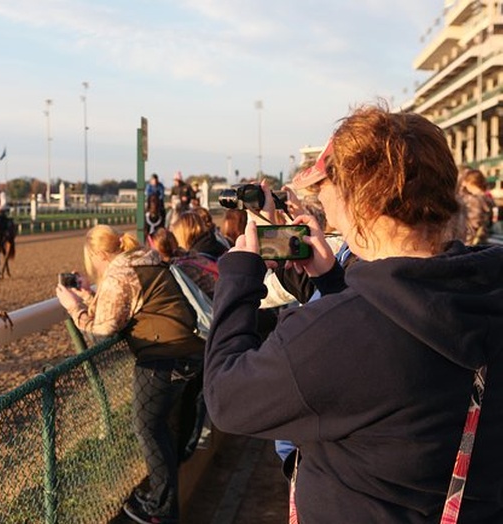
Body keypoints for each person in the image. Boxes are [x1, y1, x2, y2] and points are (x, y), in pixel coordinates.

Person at [204, 104, 503, 522]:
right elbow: (399, 330)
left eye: (328, 193)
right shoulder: (485, 287)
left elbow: (225, 397)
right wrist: (333, 282)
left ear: (362, 204)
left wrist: (238, 275)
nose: (325, 208)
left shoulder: (332, 336)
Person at [55, 225, 204, 524]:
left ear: (98, 255)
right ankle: (162, 502)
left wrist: (75, 308)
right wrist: (90, 296)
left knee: (148, 427)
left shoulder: (120, 273)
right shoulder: (142, 260)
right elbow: (123, 307)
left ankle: (161, 509)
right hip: (191, 350)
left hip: (163, 354)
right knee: (163, 428)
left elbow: (103, 330)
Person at [459, 168, 494, 245]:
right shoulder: (487, 198)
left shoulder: (475, 200)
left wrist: (466, 244)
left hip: (472, 242)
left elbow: (472, 225)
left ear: (471, 183)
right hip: (483, 238)